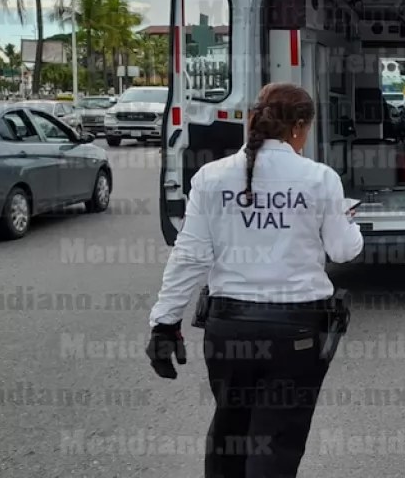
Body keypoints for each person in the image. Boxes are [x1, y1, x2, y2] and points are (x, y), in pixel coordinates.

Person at [144, 83, 365, 477]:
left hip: (228, 331)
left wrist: (165, 323)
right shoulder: (320, 178)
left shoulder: (211, 177)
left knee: (229, 434)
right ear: (299, 126)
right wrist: (349, 220)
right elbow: (343, 250)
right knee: (276, 444)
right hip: (296, 333)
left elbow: (190, 254)